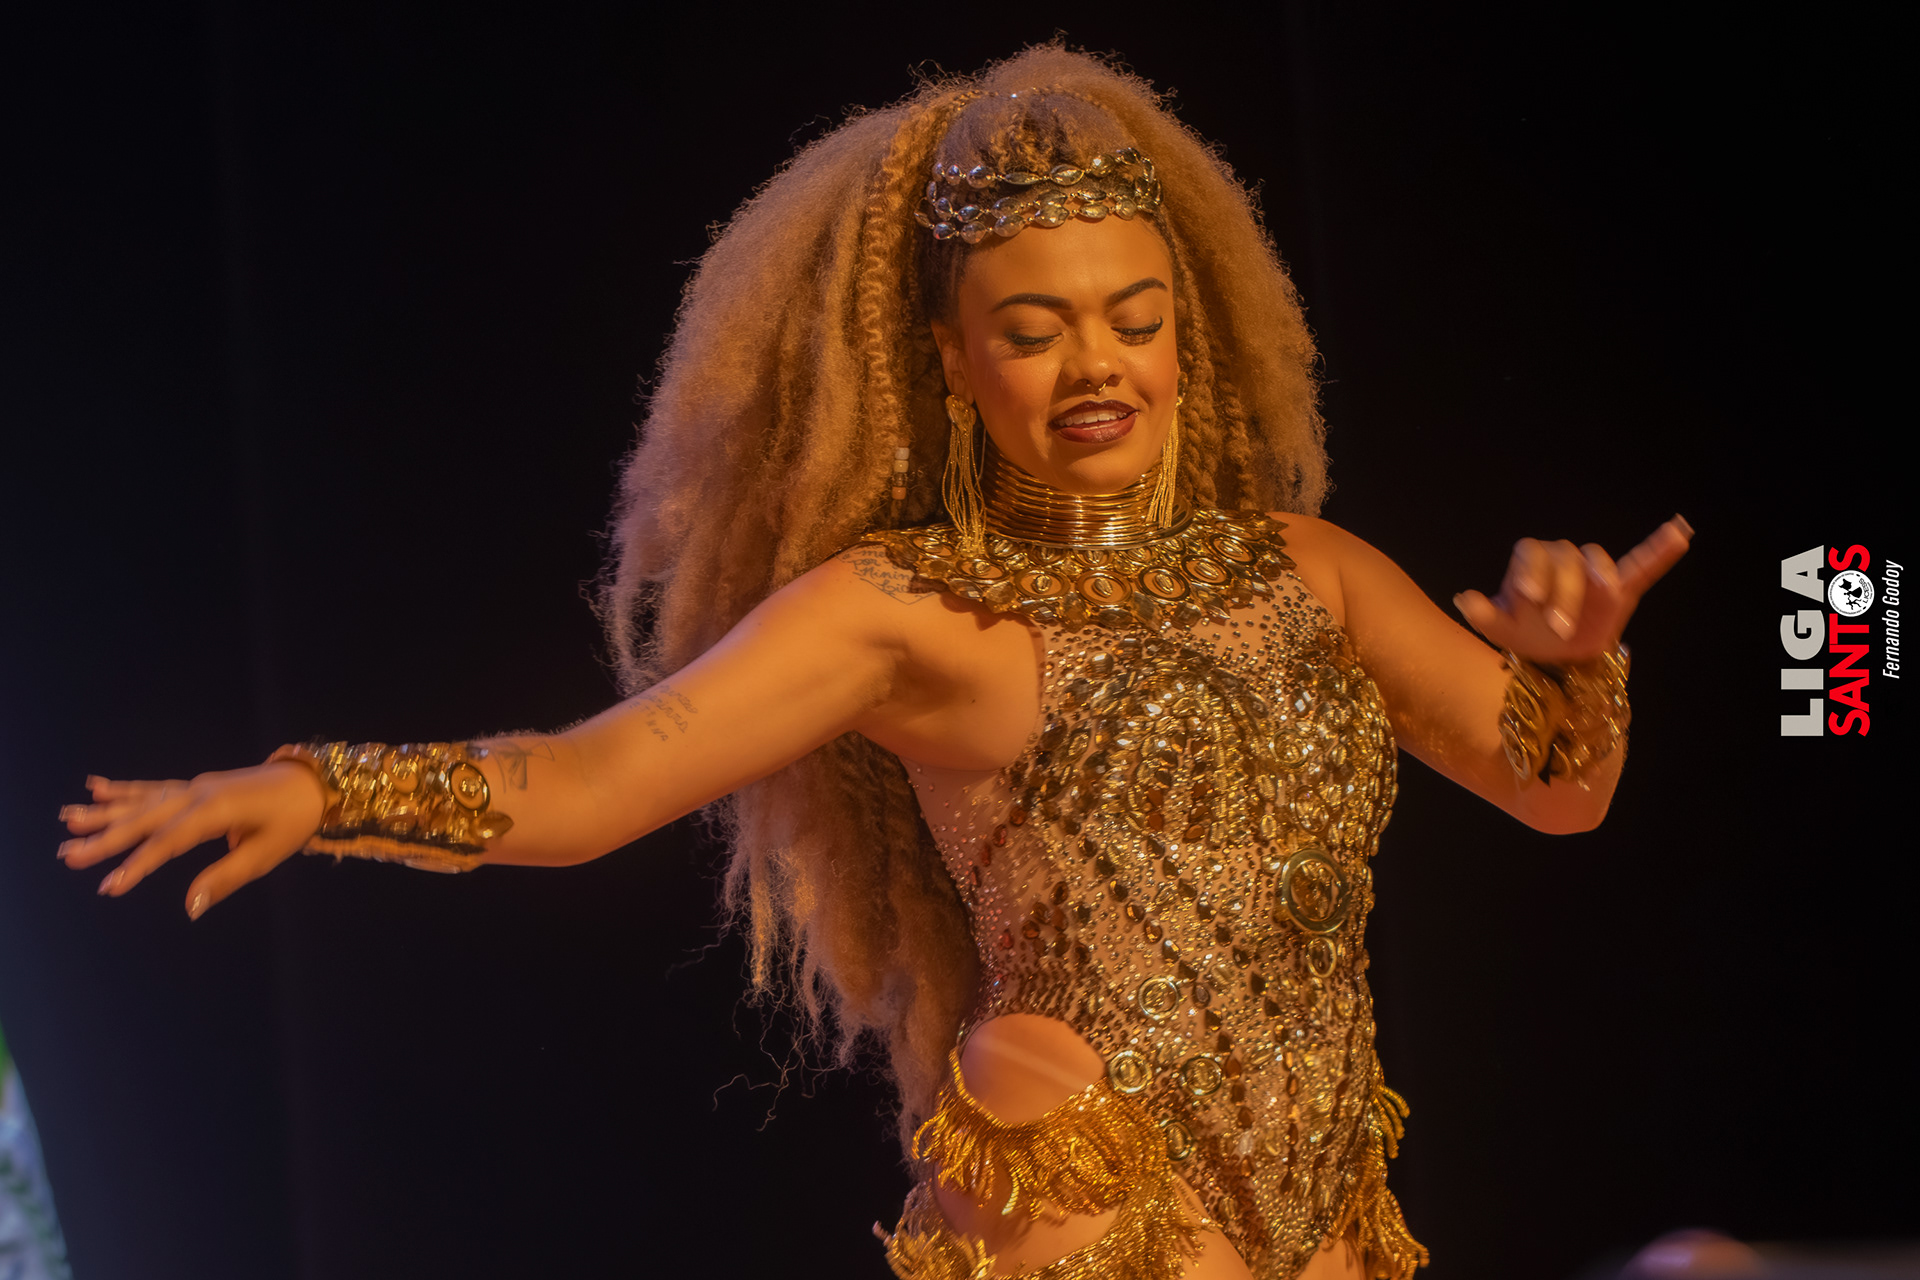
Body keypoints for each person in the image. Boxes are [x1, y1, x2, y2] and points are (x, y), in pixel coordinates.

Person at [55, 47, 1689, 1280]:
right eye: (1034, 330)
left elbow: (1560, 794)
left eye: (1133, 318)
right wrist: (320, 788)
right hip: (1090, 1196)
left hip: (1327, 1201)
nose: (1097, 365)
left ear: (1188, 328)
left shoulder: (1311, 571)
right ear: (952, 360)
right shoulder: (910, 611)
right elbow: (589, 783)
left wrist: (1576, 669)